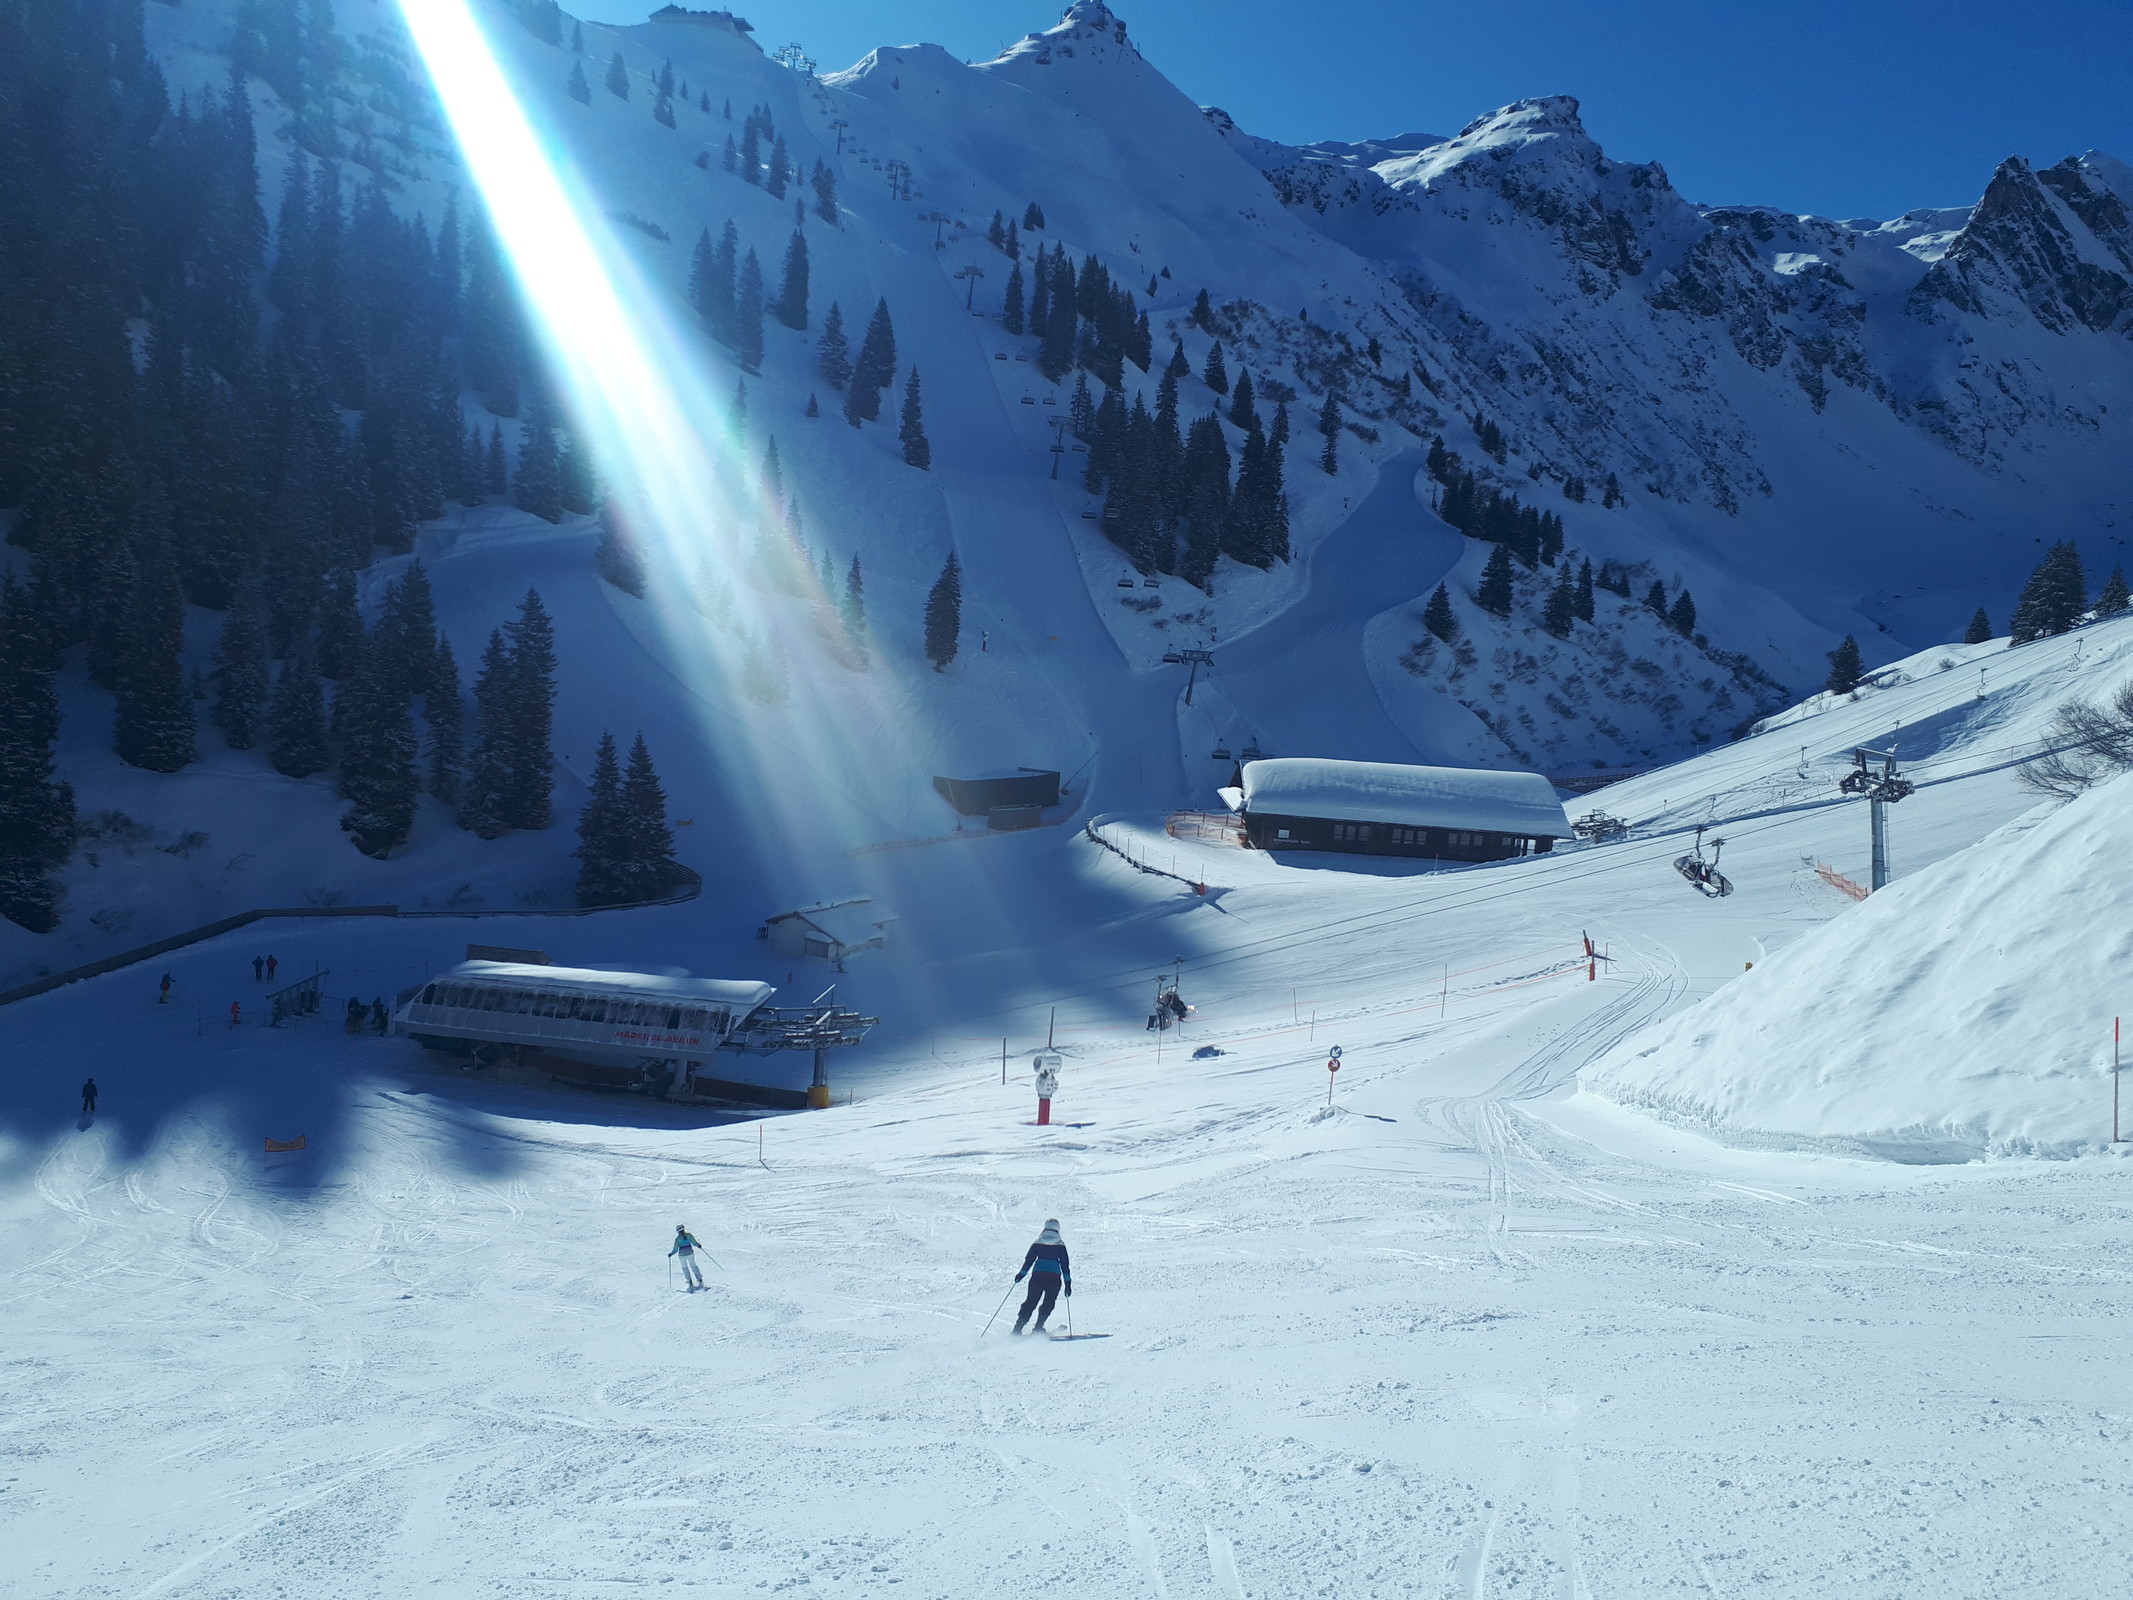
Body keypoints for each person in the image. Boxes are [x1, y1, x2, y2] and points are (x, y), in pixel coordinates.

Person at [1011, 1218, 1071, 1335]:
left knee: (1030, 1302)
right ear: (1058, 1229)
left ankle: (1017, 1328)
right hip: (1054, 1278)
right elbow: (1065, 1265)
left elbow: (1029, 1260)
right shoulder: (1060, 1245)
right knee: (1049, 1303)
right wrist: (1068, 1284)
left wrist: (1021, 1275)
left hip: (1037, 1277)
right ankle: (1038, 1327)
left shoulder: (1037, 1243)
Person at [670, 1224, 707, 1290]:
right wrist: (698, 1245)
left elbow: (675, 1249)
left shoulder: (677, 1239)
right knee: (693, 1265)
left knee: (684, 1268)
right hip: (690, 1253)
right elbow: (694, 1242)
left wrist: (671, 1254)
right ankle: (699, 1279)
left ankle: (689, 1281)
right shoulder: (689, 1235)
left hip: (682, 1255)